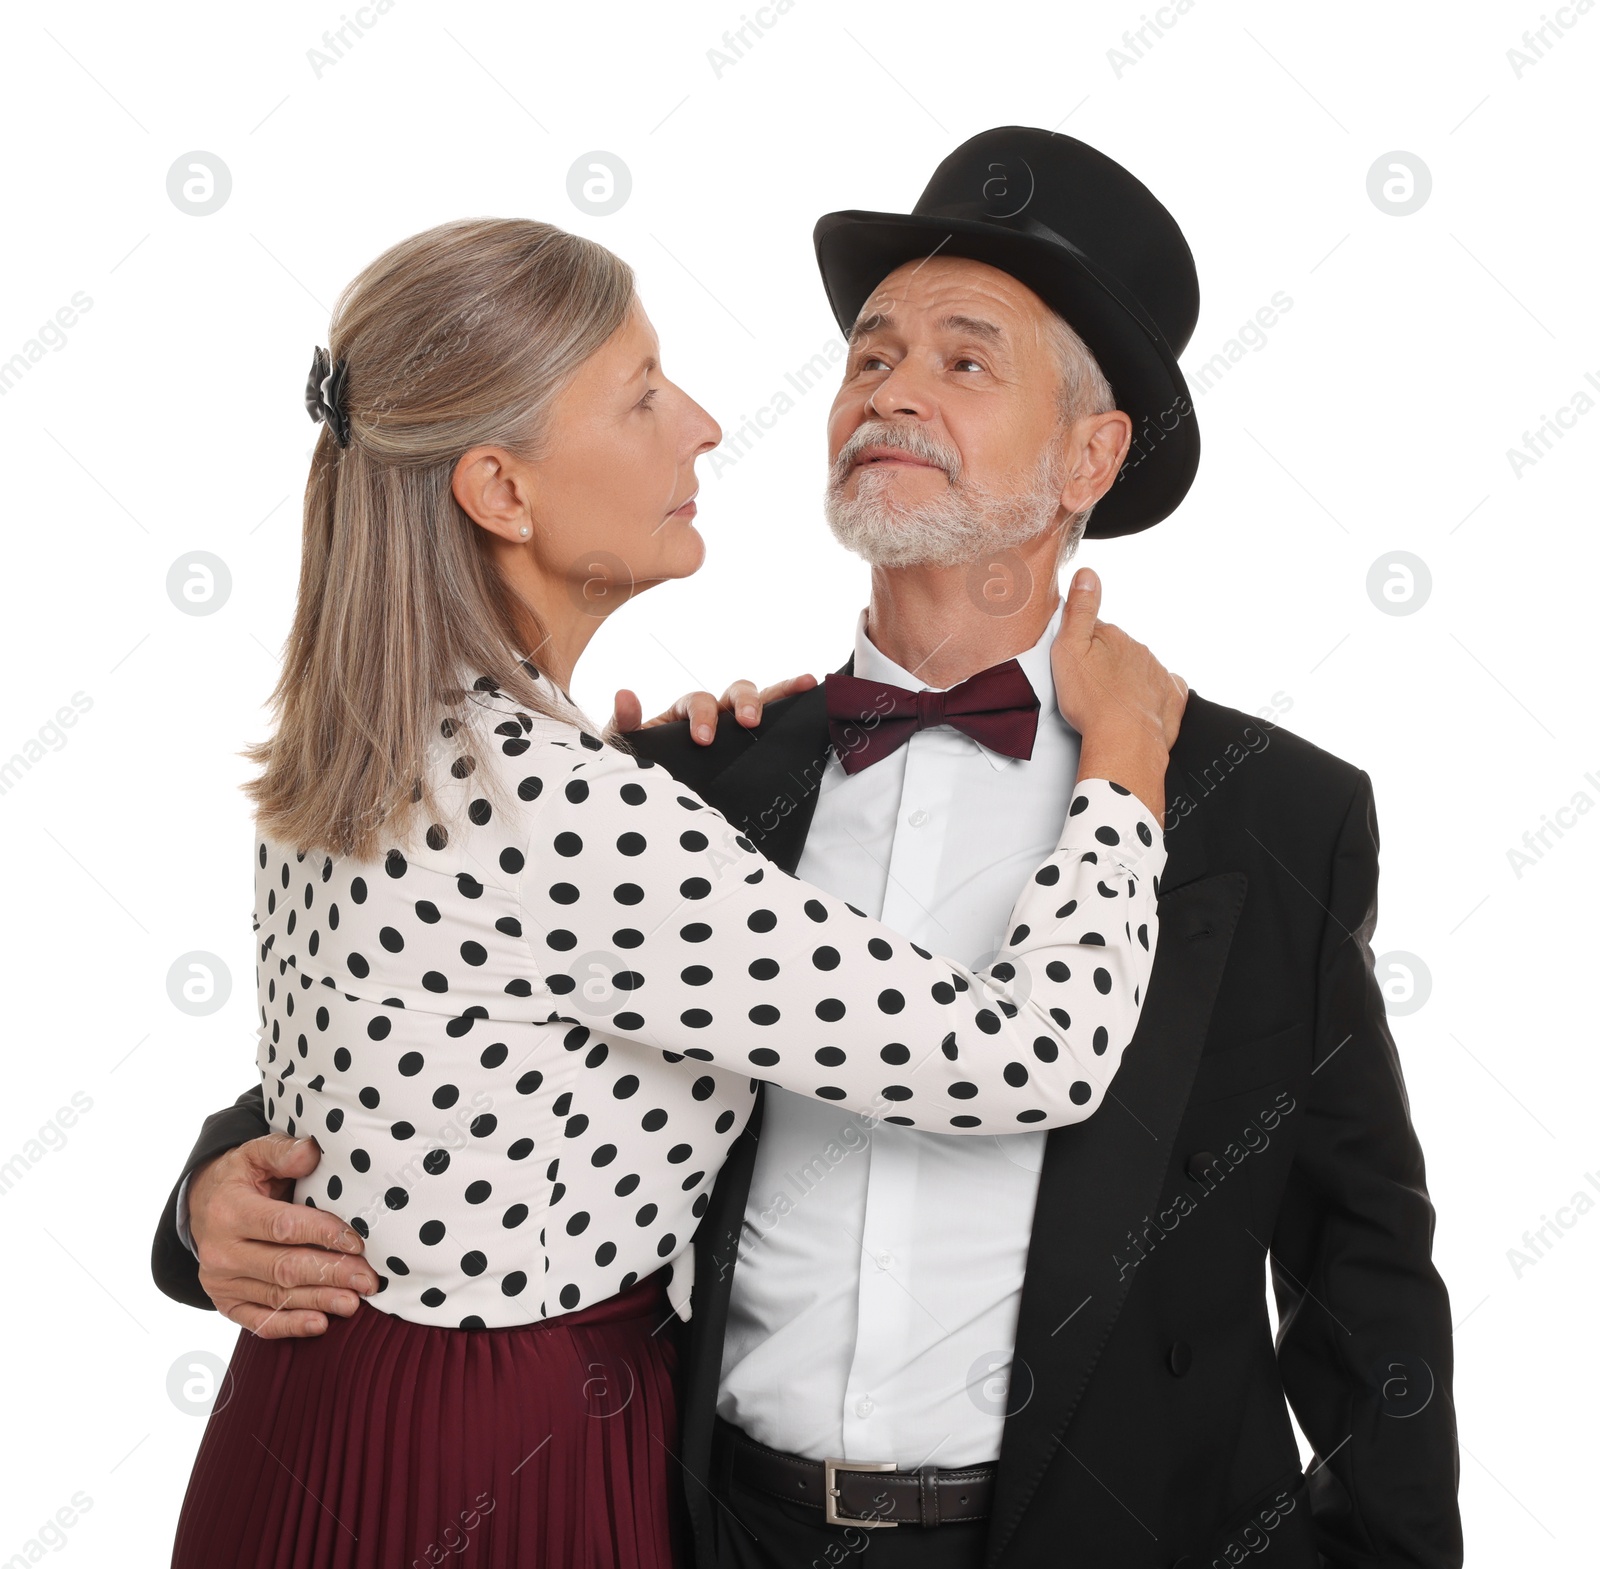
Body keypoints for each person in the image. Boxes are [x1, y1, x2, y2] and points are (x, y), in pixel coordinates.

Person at [157, 127, 1464, 1568]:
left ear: (1094, 453)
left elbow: (1364, 1260)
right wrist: (215, 1191)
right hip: (702, 1528)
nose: (892, 387)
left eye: (966, 362)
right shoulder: (688, 778)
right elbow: (434, 1044)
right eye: (872, 354)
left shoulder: (1270, 813)